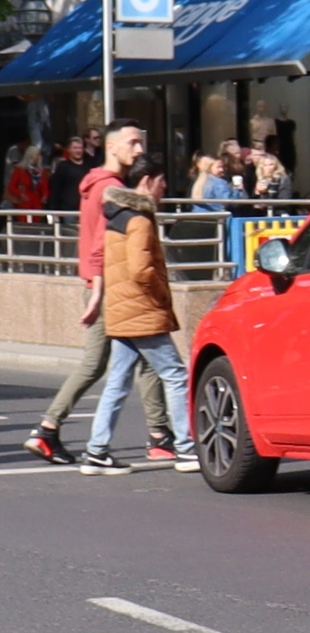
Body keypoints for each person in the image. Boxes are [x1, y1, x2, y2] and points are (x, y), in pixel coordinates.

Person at [23, 121, 175, 465]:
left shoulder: (99, 184)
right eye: (133, 143)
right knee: (111, 360)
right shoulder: (109, 187)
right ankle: (49, 429)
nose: (139, 150)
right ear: (112, 147)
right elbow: (99, 243)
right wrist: (96, 288)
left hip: (107, 285)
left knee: (133, 359)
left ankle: (156, 434)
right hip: (112, 287)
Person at [77, 156, 196, 475]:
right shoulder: (140, 219)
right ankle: (185, 448)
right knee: (175, 375)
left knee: (117, 382)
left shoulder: (116, 215)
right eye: (161, 182)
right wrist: (160, 298)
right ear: (147, 182)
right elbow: (142, 269)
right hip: (142, 311)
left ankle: (96, 451)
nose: (164, 189)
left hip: (121, 310)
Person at [44, 136, 84, 212]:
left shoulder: (88, 166)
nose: (78, 151)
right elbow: (55, 189)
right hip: (68, 210)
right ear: (68, 150)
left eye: (80, 148)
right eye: (75, 148)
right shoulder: (63, 167)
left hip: (85, 209)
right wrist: (53, 210)